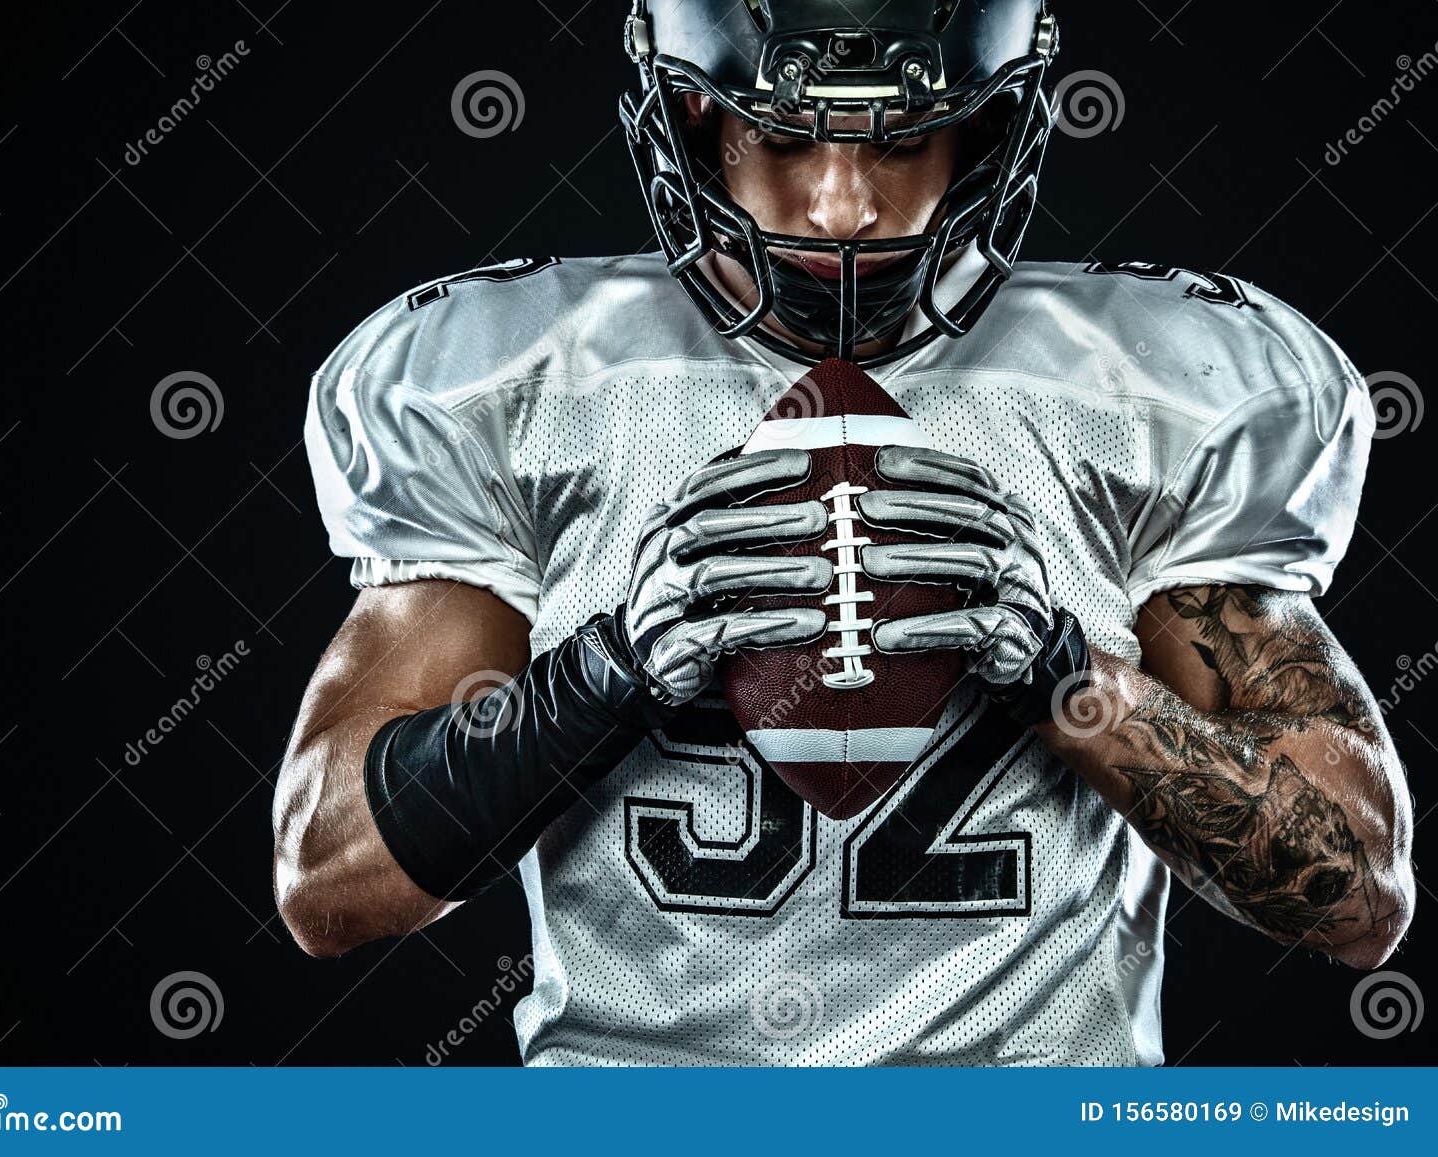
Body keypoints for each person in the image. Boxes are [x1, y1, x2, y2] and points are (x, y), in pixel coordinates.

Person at [273, 0, 1414, 1065]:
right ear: (692, 114)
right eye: (782, 141)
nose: (841, 206)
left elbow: (1357, 898)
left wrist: (1066, 672)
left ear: (988, 127)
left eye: (902, 141)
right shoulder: (514, 384)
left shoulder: (1155, 390)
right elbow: (329, 879)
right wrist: (609, 671)